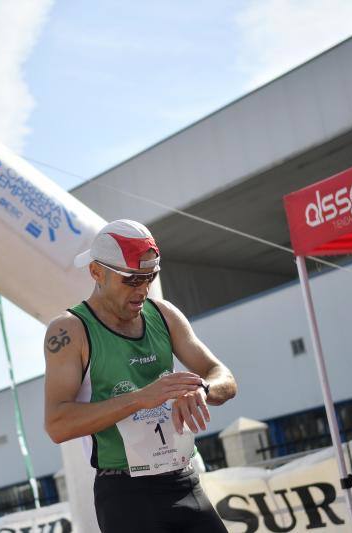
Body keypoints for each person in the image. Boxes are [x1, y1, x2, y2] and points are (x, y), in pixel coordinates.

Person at [44, 219, 237, 533]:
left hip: (182, 480)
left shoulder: (163, 313)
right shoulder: (69, 330)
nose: (142, 290)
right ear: (96, 272)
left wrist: (201, 388)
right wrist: (140, 399)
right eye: (131, 280)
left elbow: (223, 376)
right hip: (126, 494)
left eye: (150, 278)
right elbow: (57, 424)